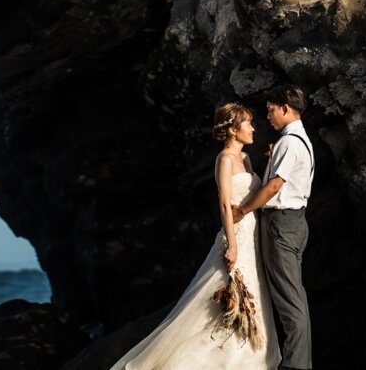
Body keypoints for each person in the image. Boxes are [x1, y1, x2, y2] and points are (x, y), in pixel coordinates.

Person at [109, 103, 281, 370]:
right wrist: (232, 244)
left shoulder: (245, 158)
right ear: (232, 129)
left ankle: (250, 356)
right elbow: (224, 204)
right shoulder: (224, 159)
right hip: (237, 236)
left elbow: (253, 194)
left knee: (253, 295)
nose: (253, 128)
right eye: (248, 123)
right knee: (223, 299)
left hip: (254, 234)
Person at [233, 85, 314, 370]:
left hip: (282, 224)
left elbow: (274, 186)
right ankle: (299, 362)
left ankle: (295, 365)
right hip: (294, 221)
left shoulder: (290, 142)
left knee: (289, 300)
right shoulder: (299, 139)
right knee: (294, 297)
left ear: (285, 108)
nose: (267, 117)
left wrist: (243, 209)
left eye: (270, 111)